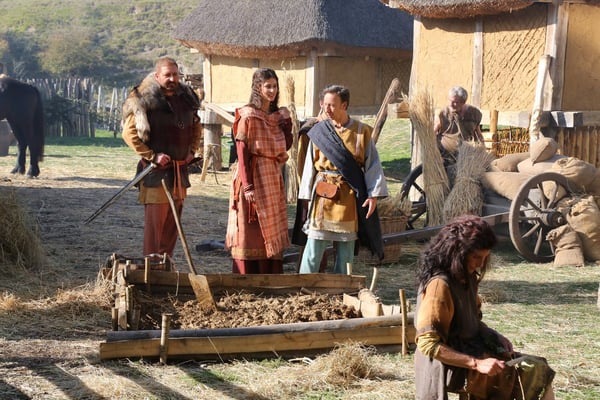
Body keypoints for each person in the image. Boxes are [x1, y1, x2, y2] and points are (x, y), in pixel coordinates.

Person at [414, 214, 555, 400]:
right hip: (447, 365)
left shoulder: (467, 277)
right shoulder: (439, 285)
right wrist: (476, 363)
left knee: (539, 369)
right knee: (520, 374)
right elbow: (428, 344)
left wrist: (494, 336)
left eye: (485, 257)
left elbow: (470, 322)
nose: (480, 264)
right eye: (476, 257)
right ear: (457, 252)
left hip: (471, 351)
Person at [298, 84, 388, 274]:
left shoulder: (362, 132)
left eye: (332, 105)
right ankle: (304, 284)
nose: (327, 109)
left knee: (345, 252)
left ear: (344, 105)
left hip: (347, 197)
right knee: (313, 249)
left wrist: (373, 195)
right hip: (322, 196)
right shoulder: (319, 131)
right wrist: (305, 196)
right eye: (325, 104)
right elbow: (309, 166)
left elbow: (373, 165)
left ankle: (342, 287)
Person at [121, 57, 203, 258]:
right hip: (156, 175)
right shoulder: (143, 99)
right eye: (167, 75)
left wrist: (192, 151)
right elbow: (129, 134)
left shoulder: (187, 98)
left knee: (172, 227)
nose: (172, 79)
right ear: (157, 76)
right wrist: (152, 156)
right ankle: (150, 268)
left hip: (179, 173)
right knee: (155, 229)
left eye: (175, 74)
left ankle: (166, 267)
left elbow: (196, 126)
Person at [225, 68, 293, 274]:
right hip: (252, 176)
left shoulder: (276, 117)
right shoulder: (247, 115)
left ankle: (269, 275)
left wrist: (287, 123)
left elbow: (285, 145)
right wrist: (248, 186)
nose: (272, 90)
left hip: (271, 176)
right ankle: (247, 276)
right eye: (267, 86)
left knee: (272, 226)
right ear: (257, 88)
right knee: (251, 229)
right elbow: (242, 152)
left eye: (275, 86)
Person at [434, 86, 484, 163]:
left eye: (455, 102)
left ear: (463, 102)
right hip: (444, 157)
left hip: (465, 157)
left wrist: (482, 151)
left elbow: (478, 135)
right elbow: (433, 133)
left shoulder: (473, 114)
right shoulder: (443, 114)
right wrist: (435, 154)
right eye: (450, 100)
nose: (451, 104)